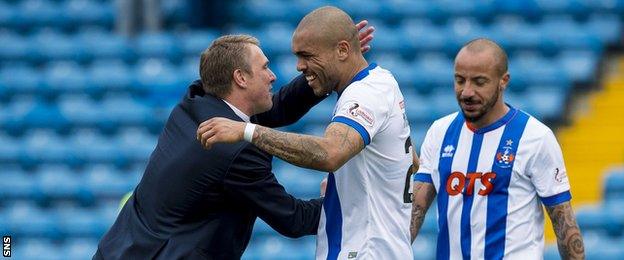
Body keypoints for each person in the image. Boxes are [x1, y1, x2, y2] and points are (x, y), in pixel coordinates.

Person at [95, 22, 375, 259]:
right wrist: (351, 201)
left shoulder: (195, 103)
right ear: (240, 78)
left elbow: (275, 108)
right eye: (265, 68)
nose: (273, 76)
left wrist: (326, 71)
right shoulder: (235, 151)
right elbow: (293, 218)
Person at [197, 6, 415, 259]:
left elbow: (330, 153)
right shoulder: (383, 82)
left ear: (342, 50)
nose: (299, 66)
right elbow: (410, 160)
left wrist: (247, 131)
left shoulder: (363, 94)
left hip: (363, 251)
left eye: (307, 55)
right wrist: (346, 187)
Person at [409, 38, 585, 259]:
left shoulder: (535, 137)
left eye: (479, 82)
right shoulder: (440, 132)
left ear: (503, 81)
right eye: (460, 80)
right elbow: (415, 209)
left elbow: (564, 224)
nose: (467, 91)